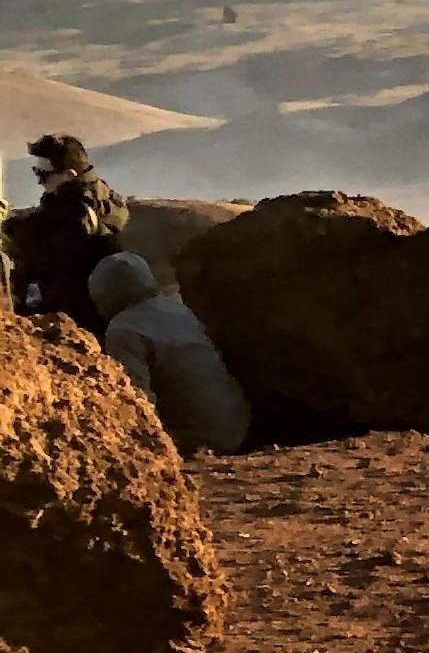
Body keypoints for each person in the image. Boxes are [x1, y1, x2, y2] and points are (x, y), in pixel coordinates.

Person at [88, 252, 252, 454]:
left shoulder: (123, 329)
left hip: (196, 437)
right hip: (237, 424)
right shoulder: (178, 309)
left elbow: (138, 400)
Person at [5, 135, 131, 328]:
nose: (39, 182)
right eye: (35, 172)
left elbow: (46, 255)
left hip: (77, 313)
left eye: (43, 175)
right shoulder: (99, 196)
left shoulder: (78, 216)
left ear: (69, 175)